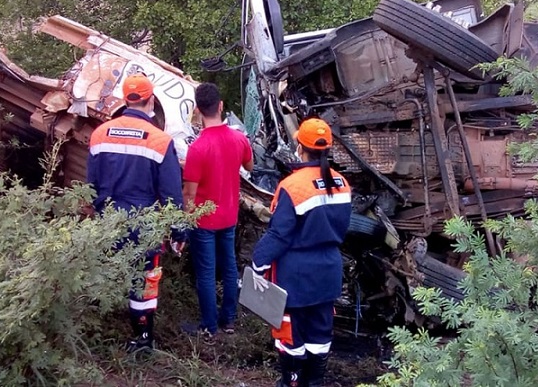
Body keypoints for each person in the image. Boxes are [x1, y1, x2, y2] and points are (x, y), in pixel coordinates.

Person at [87, 73, 185, 352]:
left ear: (125, 99)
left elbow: (90, 186)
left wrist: (101, 212)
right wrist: (179, 231)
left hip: (109, 220)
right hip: (144, 225)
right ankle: (143, 338)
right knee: (144, 280)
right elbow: (171, 196)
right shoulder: (160, 140)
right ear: (150, 100)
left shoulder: (99, 134)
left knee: (112, 273)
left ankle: (102, 328)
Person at [251, 118, 352, 387]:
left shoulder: (292, 186)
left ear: (300, 147)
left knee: (291, 334)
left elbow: (279, 234)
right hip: (329, 270)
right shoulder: (342, 183)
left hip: (296, 275)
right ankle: (314, 382)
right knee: (320, 334)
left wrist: (258, 263)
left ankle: (291, 382)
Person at [182, 82, 254, 341]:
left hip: (204, 219)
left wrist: (187, 220)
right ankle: (230, 320)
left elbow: (189, 192)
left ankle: (209, 326)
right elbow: (249, 164)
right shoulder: (239, 138)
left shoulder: (198, 148)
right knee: (230, 267)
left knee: (206, 273)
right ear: (221, 106)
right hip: (230, 214)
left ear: (198, 110)